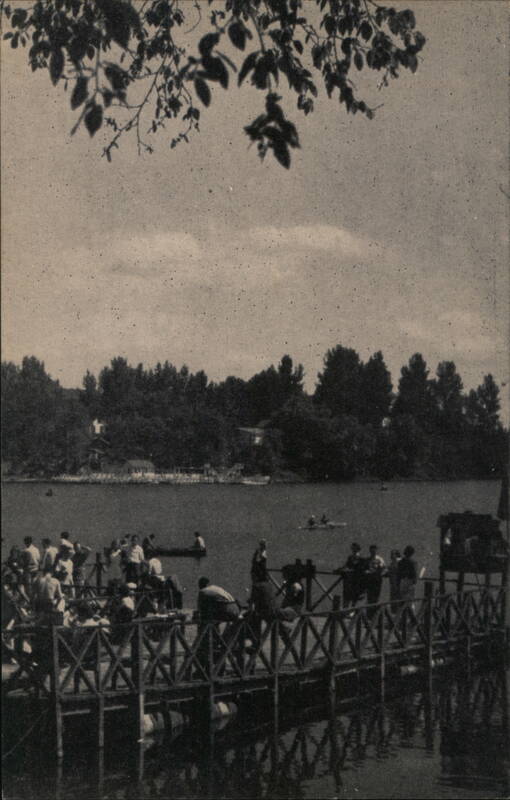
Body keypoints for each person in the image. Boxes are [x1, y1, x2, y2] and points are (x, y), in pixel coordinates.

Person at [336, 542, 365, 608]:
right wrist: (340, 569)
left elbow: (362, 569)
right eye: (352, 548)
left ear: (358, 549)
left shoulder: (361, 559)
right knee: (348, 595)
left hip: (357, 580)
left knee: (356, 595)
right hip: (349, 580)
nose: (353, 550)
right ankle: (346, 610)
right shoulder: (350, 557)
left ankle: (353, 610)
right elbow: (346, 565)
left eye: (354, 548)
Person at [364, 545, 386, 611]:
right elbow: (364, 568)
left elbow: (383, 568)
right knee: (369, 596)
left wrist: (380, 573)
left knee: (376, 596)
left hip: (377, 580)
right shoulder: (367, 560)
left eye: (374, 550)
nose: (373, 552)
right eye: (371, 550)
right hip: (369, 579)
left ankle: (374, 612)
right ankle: (369, 612)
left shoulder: (379, 559)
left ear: (376, 550)